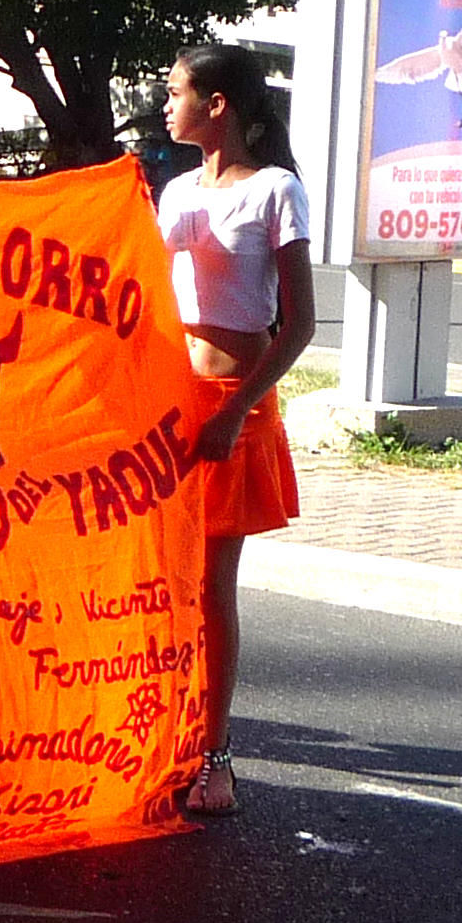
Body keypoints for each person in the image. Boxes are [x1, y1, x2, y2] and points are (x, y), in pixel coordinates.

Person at [159, 43, 314, 817]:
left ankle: (214, 753)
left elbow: (299, 327)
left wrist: (234, 411)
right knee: (163, 584)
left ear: (217, 105)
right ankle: (162, 736)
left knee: (211, 587)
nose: (166, 104)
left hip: (233, 405)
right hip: (172, 402)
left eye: (177, 91)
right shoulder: (176, 190)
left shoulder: (276, 190)